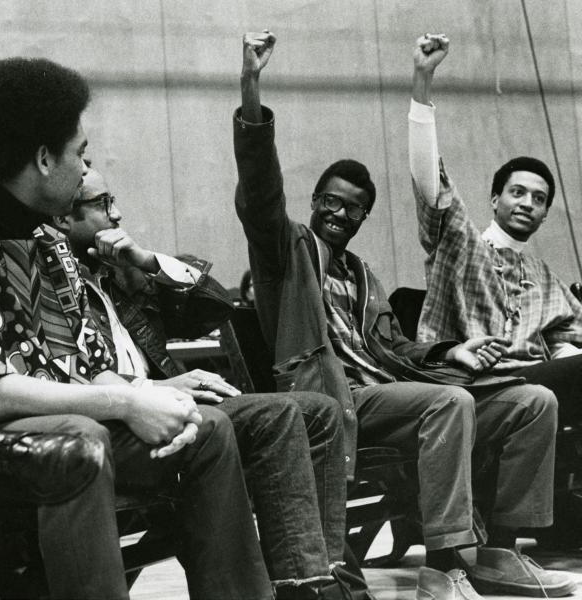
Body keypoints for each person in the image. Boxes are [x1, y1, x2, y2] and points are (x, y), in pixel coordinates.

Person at [233, 31, 575, 600]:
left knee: (531, 401)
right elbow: (260, 189)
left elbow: (399, 348)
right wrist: (251, 86)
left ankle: (500, 554)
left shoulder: (364, 276)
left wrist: (450, 352)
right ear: (313, 202)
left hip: (394, 394)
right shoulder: (285, 252)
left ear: (364, 218)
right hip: (334, 400)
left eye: (355, 208)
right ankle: (443, 565)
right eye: (331, 201)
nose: (341, 213)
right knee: (450, 401)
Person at [0, 55, 276, 600]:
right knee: (82, 442)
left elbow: (90, 368)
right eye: (80, 154)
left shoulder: (49, 242)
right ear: (44, 159)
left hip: (59, 422)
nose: (83, 167)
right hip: (5, 438)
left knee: (206, 429)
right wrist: (124, 406)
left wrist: (153, 402)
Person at [54, 166, 358, 600]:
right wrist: (156, 388)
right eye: (103, 203)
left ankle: (322, 572)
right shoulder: (59, 281)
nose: (117, 214)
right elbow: (73, 372)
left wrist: (144, 260)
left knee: (321, 411)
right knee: (281, 414)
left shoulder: (119, 276)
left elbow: (216, 303)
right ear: (65, 216)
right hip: (130, 414)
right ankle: (303, 587)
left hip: (169, 402)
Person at [409, 33, 582, 434]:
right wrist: (422, 81)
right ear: (494, 199)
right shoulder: (462, 245)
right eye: (517, 192)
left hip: (540, 386)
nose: (526, 203)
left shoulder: (543, 275)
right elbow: (428, 184)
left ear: (544, 215)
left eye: (538, 199)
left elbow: (569, 333)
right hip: (475, 387)